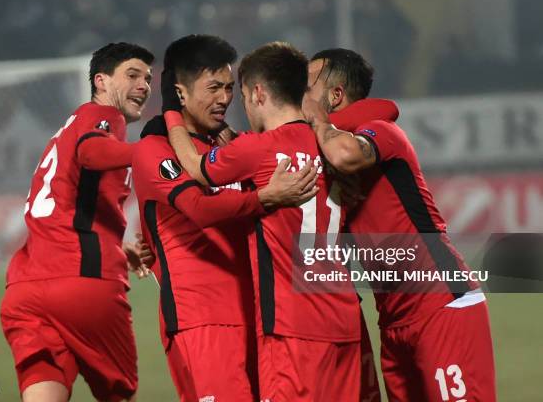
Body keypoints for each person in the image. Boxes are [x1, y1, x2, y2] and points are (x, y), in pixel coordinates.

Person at [165, 41, 363, 402]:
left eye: (239, 94)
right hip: (344, 322)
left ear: (258, 93)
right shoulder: (329, 145)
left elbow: (194, 169)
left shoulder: (258, 148)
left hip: (292, 326)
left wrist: (171, 114)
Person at [132, 34, 319, 402]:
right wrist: (264, 198)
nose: (225, 98)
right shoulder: (152, 149)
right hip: (202, 319)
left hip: (262, 316)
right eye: (213, 87)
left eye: (231, 87)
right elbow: (200, 211)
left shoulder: (233, 150)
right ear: (180, 93)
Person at [303, 48, 496, 401]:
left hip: (442, 306)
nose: (301, 96)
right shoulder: (321, 159)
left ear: (335, 96)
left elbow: (346, 154)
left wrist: (318, 120)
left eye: (307, 86)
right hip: (393, 322)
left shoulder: (382, 132)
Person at [0, 42, 155, 402]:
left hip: (25, 289)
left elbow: (71, 200)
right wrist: (150, 152)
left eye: (147, 78)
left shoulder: (67, 127)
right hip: (82, 280)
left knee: (44, 386)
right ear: (100, 81)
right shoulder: (102, 118)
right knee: (118, 395)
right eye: (132, 75)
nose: (144, 85)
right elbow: (91, 151)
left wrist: (116, 247)